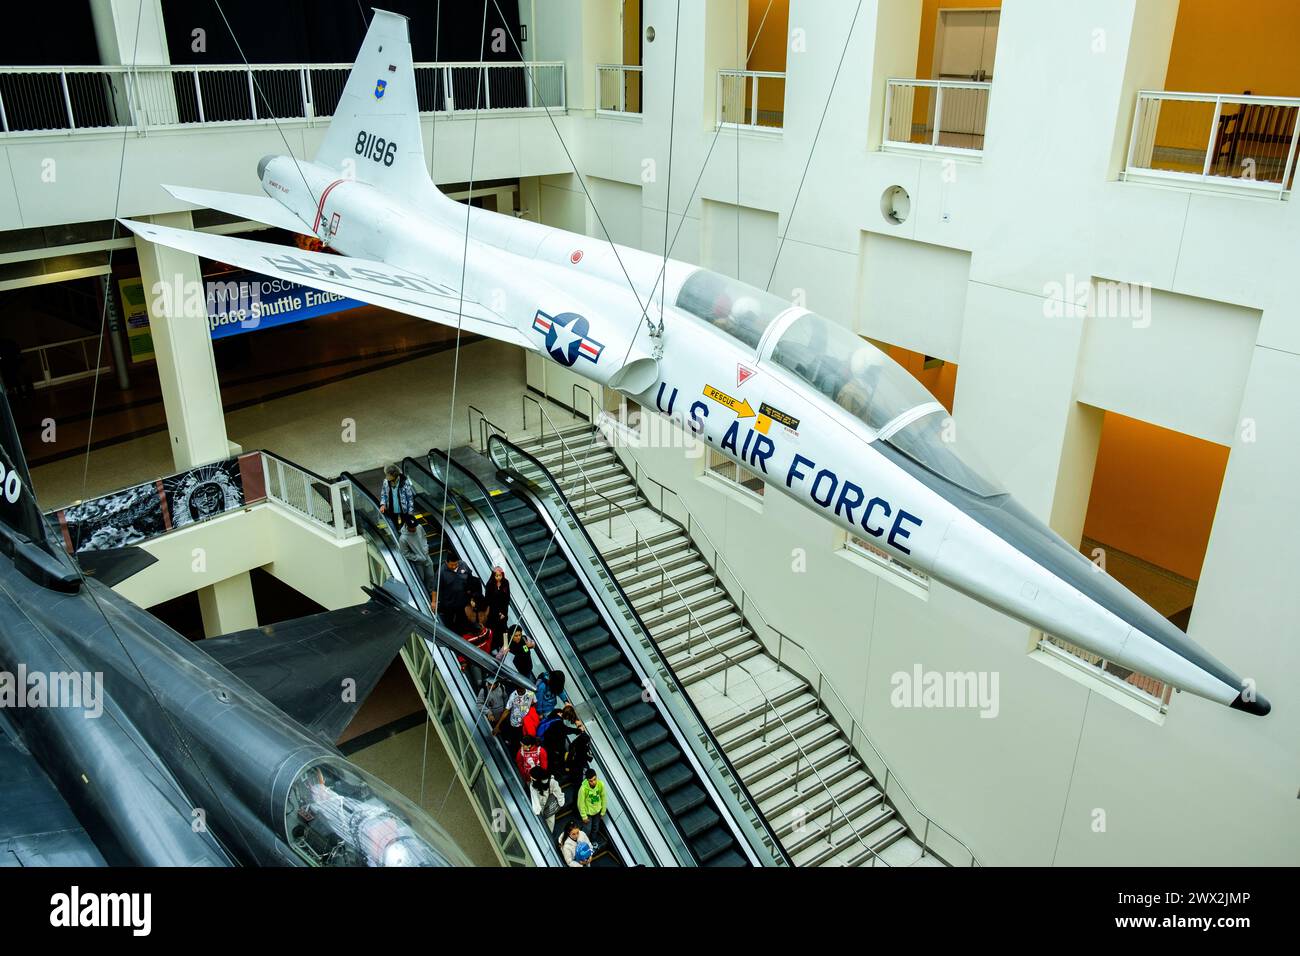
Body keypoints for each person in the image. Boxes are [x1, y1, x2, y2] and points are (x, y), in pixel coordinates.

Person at [537, 703, 585, 781]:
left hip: (545, 737)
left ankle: (553, 772)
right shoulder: (558, 723)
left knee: (554, 756)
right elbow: (566, 730)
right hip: (549, 742)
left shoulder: (556, 711)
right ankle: (552, 775)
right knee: (552, 758)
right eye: (569, 718)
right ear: (567, 716)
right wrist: (579, 730)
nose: (568, 720)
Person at [433, 551, 474, 631]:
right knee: (449, 623)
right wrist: (434, 602)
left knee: (463, 620)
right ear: (446, 562)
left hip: (463, 601)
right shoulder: (441, 572)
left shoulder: (463, 565)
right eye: (452, 565)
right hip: (449, 603)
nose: (454, 566)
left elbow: (470, 578)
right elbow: (435, 588)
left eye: (456, 564)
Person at [397, 516, 435, 601]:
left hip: (426, 557)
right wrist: (417, 558)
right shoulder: (403, 538)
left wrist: (426, 548)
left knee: (431, 576)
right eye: (412, 527)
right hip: (418, 563)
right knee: (420, 580)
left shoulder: (419, 527)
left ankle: (432, 597)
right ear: (407, 525)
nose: (414, 529)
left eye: (414, 526)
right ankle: (424, 599)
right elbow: (405, 553)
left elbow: (424, 537)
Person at [494, 686, 534, 755]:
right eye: (517, 690)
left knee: (518, 742)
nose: (519, 693)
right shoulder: (513, 695)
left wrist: (527, 717)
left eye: (521, 691)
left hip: (523, 726)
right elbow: (506, 711)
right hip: (513, 723)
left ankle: (514, 752)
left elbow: (534, 703)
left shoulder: (531, 694)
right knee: (511, 738)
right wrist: (497, 726)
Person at [577, 767, 608, 849]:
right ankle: (581, 844)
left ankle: (592, 841)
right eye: (591, 781)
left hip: (597, 812)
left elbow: (604, 797)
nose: (593, 782)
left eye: (595, 779)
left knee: (596, 828)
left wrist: (603, 811)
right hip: (588, 813)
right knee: (587, 829)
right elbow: (581, 803)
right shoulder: (583, 789)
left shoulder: (601, 784)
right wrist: (584, 816)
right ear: (587, 780)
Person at [529, 766, 564, 836]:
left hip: (549, 804)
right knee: (550, 821)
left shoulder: (551, 781)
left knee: (550, 822)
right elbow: (535, 799)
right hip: (544, 805)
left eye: (532, 777)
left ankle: (548, 836)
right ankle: (547, 835)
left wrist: (560, 802)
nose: (530, 778)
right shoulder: (533, 785)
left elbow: (558, 792)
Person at [483, 566, 511, 635]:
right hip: (493, 612)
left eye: (500, 575)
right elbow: (488, 601)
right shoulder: (490, 584)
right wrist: (498, 613)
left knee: (503, 629)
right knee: (493, 629)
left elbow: (507, 598)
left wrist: (503, 613)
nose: (498, 577)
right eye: (496, 576)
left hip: (503, 611)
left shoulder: (505, 582)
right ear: (493, 575)